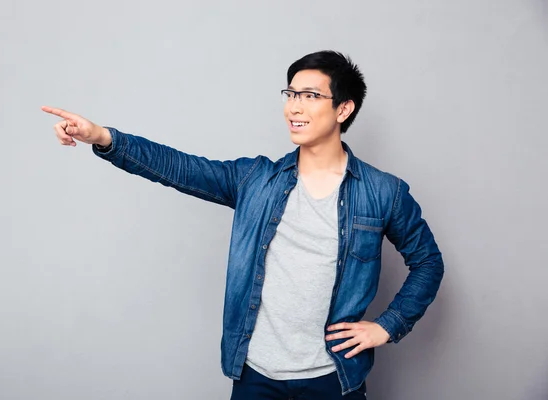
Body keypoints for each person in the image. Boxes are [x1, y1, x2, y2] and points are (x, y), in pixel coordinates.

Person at [42, 50, 444, 399]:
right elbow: (181, 168)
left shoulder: (382, 192)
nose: (294, 107)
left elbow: (428, 262)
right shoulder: (257, 180)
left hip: (334, 379)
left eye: (310, 96)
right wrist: (103, 137)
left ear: (343, 109)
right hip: (255, 376)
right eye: (290, 94)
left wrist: (385, 327)